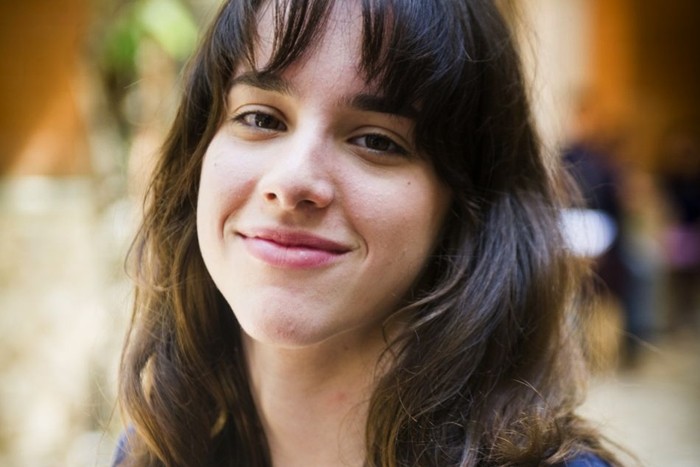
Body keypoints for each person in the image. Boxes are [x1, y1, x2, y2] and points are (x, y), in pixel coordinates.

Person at [114, 0, 623, 465]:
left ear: (467, 210)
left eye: (377, 141)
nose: (292, 181)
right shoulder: (155, 450)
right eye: (261, 118)